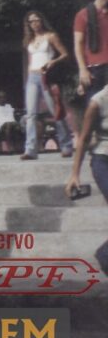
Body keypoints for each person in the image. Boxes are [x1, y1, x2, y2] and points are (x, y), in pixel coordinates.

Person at [63, 85, 108, 273]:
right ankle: (105, 256)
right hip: (103, 161)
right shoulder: (98, 102)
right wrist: (75, 174)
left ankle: (105, 255)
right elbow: (83, 139)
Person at [21, 11, 73, 160]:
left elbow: (65, 54)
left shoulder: (50, 36)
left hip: (46, 76)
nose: (34, 23)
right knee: (31, 114)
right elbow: (31, 59)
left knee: (55, 111)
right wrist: (29, 74)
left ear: (41, 21)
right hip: (32, 77)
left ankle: (66, 145)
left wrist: (53, 62)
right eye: (31, 21)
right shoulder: (29, 40)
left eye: (36, 20)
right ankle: (30, 150)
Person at [74, 0, 108, 100]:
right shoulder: (83, 15)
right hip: (95, 69)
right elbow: (78, 44)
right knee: (93, 106)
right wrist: (82, 70)